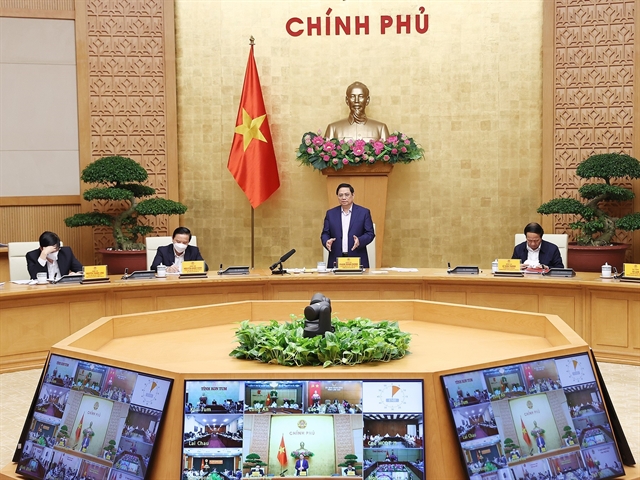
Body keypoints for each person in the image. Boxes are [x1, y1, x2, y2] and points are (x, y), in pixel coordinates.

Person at [321, 183, 375, 269]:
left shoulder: (363, 213)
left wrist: (359, 241)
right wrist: (326, 241)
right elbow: (325, 233)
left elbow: (370, 233)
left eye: (347, 194)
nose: (343, 198)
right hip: (336, 259)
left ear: (353, 195)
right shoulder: (331, 214)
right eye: (340, 195)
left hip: (357, 258)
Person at [325, 82, 390, 141]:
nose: (356, 100)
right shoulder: (333, 128)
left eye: (361, 96)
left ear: (367, 100)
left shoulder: (380, 128)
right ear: (347, 100)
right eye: (352, 96)